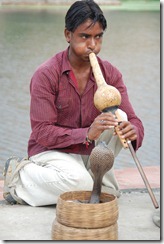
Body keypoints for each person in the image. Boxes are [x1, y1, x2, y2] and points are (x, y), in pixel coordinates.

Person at [3, 0, 144, 207]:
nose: (92, 45)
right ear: (68, 35)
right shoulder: (46, 74)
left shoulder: (111, 74)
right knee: (82, 185)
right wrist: (87, 133)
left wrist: (133, 131)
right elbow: (42, 132)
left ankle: (89, 181)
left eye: (98, 37)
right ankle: (21, 178)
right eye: (84, 37)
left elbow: (133, 119)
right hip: (52, 152)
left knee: (120, 116)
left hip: (89, 155)